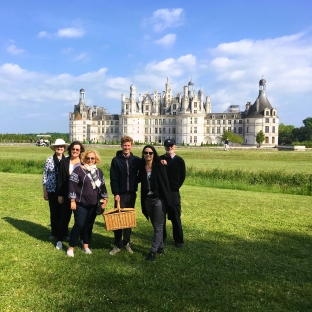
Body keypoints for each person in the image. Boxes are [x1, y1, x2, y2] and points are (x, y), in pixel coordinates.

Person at [66, 150, 108, 257]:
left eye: (92, 158)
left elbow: (102, 186)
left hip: (93, 203)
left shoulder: (98, 172)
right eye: (88, 158)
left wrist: (105, 199)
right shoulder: (78, 170)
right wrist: (72, 200)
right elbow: (72, 185)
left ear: (96, 160)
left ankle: (86, 245)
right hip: (80, 202)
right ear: (84, 159)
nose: (90, 160)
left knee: (89, 225)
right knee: (79, 224)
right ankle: (71, 247)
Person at [138, 145, 173, 261]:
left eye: (150, 153)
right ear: (143, 154)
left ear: (154, 154)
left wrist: (167, 199)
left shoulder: (159, 165)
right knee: (155, 225)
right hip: (147, 200)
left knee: (158, 226)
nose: (148, 155)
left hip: (158, 199)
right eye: (146, 153)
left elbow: (165, 183)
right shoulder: (142, 167)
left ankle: (153, 251)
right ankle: (161, 247)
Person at [109, 136, 140, 255]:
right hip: (120, 194)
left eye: (128, 145)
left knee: (128, 219)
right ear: (121, 146)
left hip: (131, 194)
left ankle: (126, 242)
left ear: (131, 146)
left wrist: (135, 181)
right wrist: (116, 193)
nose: (126, 147)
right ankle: (117, 244)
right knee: (118, 219)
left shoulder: (136, 160)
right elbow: (113, 178)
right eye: (124, 145)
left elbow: (145, 168)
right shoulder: (116, 160)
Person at [55, 141, 85, 251]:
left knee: (80, 220)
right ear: (70, 149)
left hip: (80, 195)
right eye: (73, 149)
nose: (75, 151)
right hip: (67, 194)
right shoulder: (64, 161)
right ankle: (59, 240)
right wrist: (60, 194)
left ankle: (82, 239)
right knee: (64, 218)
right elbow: (61, 179)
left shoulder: (83, 162)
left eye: (77, 149)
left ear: (80, 150)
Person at [160, 139, 186, 248]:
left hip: (173, 192)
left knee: (175, 216)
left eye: (171, 145)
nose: (169, 147)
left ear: (174, 146)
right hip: (162, 192)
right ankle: (161, 238)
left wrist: (175, 187)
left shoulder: (179, 160)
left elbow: (182, 176)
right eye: (167, 146)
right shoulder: (160, 159)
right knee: (161, 217)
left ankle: (178, 239)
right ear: (165, 147)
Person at [42, 138, 69, 239]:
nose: (59, 148)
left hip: (63, 189)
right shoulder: (49, 160)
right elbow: (45, 175)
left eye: (61, 147)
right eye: (58, 146)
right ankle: (54, 232)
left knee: (64, 212)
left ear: (64, 148)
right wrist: (45, 190)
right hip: (52, 189)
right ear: (55, 148)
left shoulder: (67, 160)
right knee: (54, 211)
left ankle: (64, 232)